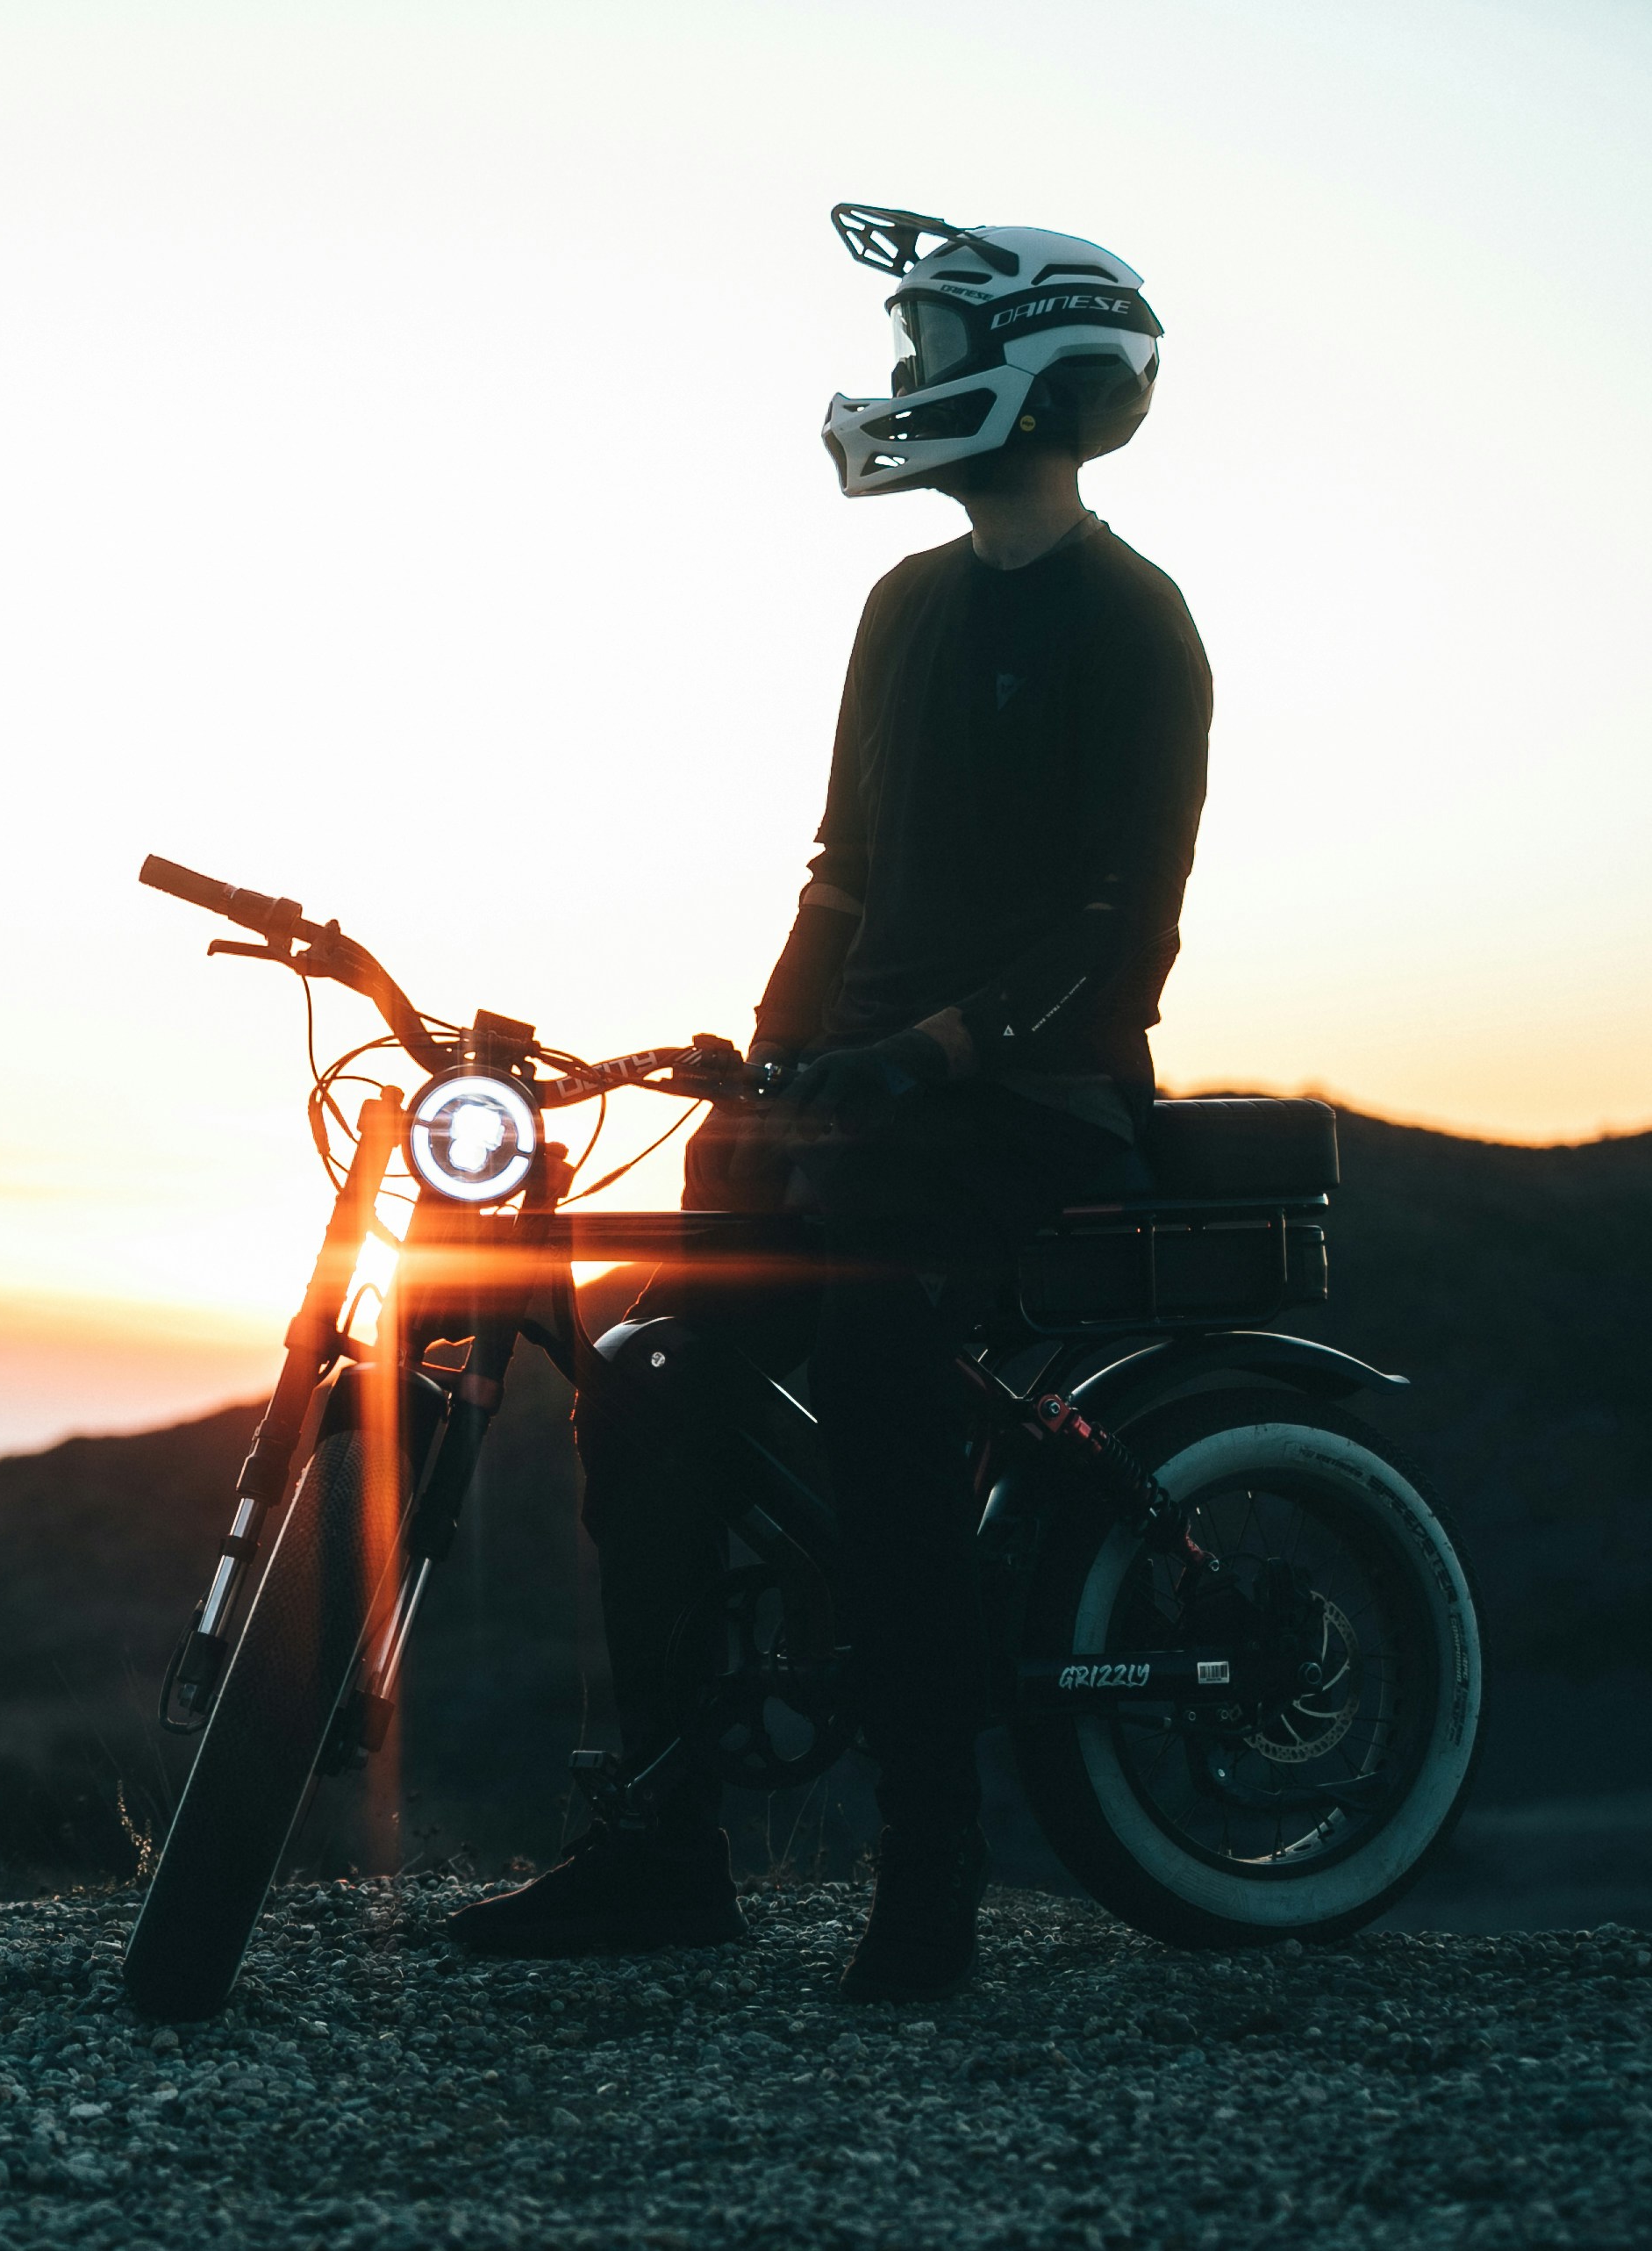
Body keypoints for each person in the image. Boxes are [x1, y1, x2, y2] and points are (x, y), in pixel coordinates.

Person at [450, 204, 1208, 2001]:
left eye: (933, 345)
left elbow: (1118, 929)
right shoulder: (903, 606)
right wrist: (769, 1059)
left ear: (1037, 376)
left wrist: (932, 1049)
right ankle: (665, 1840)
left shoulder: (1135, 622)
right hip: (862, 1100)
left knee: (877, 1376)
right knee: (644, 1367)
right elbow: (843, 873)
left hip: (1037, 1101)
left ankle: (929, 1868)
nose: (903, 376)